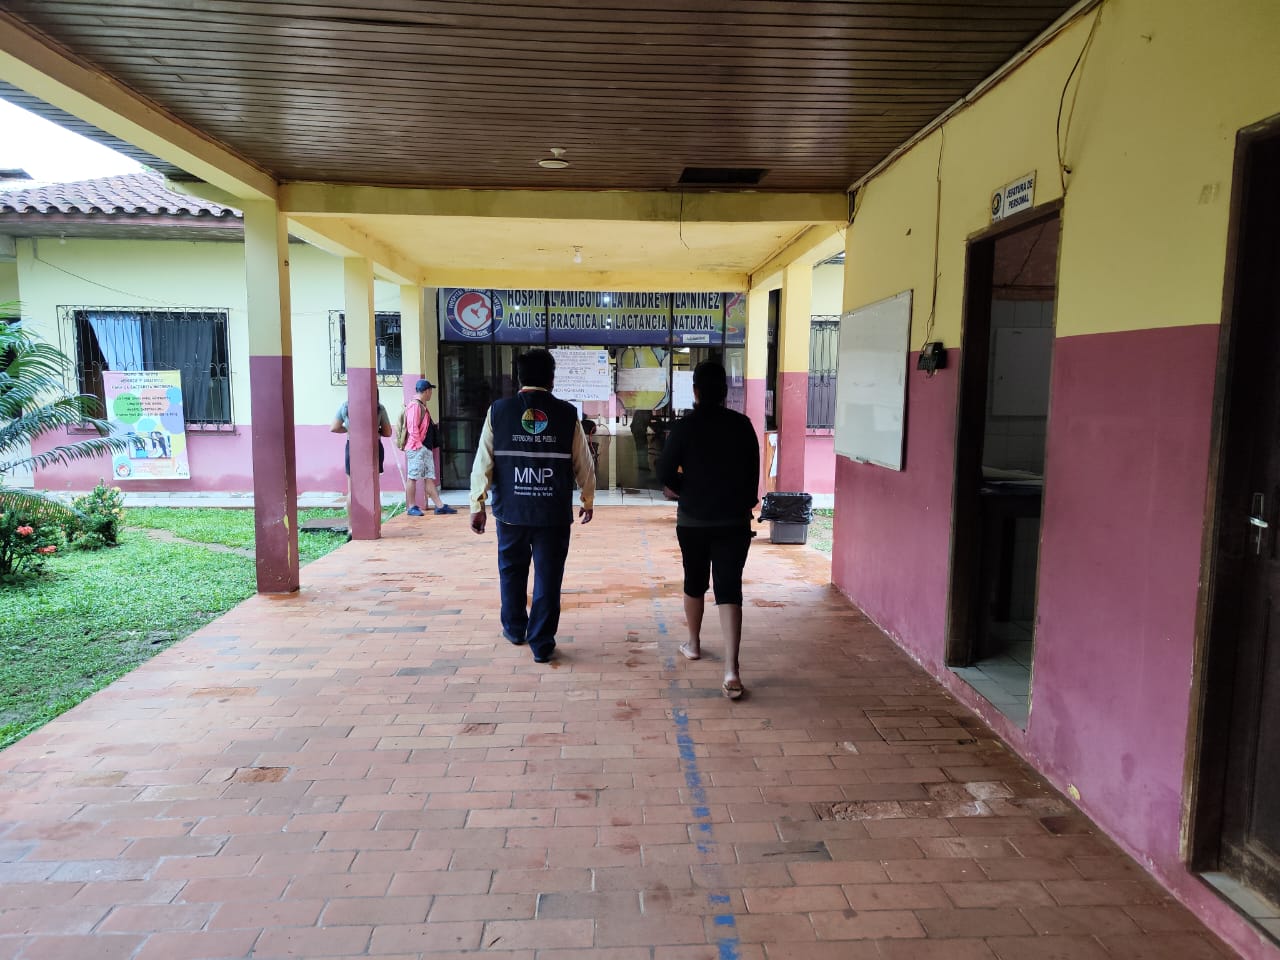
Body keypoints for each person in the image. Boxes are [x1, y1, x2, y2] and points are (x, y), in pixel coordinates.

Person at [469, 349, 596, 664]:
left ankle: (514, 629)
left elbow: (483, 461)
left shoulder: (498, 411)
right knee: (549, 577)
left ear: (519, 378)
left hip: (510, 511)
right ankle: (541, 643)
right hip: (551, 515)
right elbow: (584, 462)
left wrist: (477, 503)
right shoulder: (566, 414)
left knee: (511, 570)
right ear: (552, 379)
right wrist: (587, 499)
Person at [656, 360, 760, 699]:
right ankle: (732, 669)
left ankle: (695, 644)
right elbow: (752, 478)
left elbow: (665, 471)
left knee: (694, 581)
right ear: (725, 392)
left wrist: (684, 489)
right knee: (729, 588)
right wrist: (740, 501)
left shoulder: (685, 428)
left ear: (696, 391)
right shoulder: (742, 426)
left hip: (694, 520)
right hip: (733, 521)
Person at [403, 378, 455, 516]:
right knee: (412, 477)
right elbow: (412, 428)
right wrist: (418, 446)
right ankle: (411, 506)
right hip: (417, 448)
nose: (431, 392)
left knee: (428, 477)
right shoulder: (415, 406)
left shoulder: (422, 405)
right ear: (426, 391)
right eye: (430, 390)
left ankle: (440, 506)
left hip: (425, 448)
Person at [330, 396, 394, 496]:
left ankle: (352, 512)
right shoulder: (379, 408)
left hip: (352, 447)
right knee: (372, 488)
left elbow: (334, 427)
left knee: (353, 491)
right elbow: (388, 432)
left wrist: (350, 429)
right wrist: (377, 430)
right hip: (373, 447)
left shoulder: (346, 406)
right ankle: (373, 511)